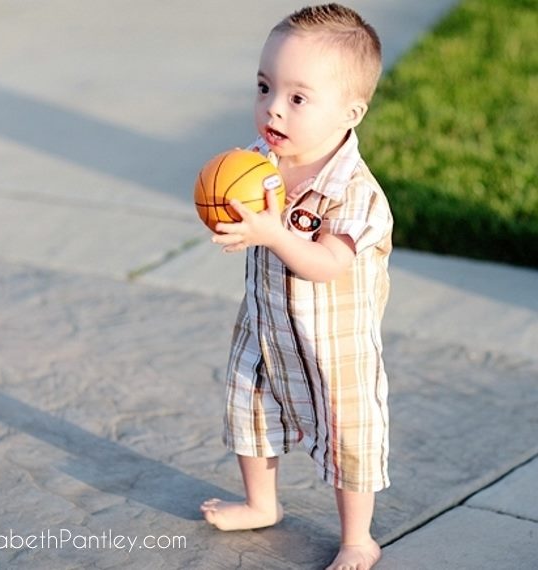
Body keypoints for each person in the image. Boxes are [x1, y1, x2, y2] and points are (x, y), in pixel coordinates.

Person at [200, 4, 392, 569]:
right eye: (265, 87)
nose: (273, 108)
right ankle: (262, 503)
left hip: (334, 346)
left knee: (349, 437)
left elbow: (327, 263)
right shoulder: (258, 163)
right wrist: (222, 208)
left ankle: (358, 537)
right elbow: (238, 208)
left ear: (351, 112)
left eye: (298, 98)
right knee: (250, 413)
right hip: (265, 325)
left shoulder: (355, 193)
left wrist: (271, 234)